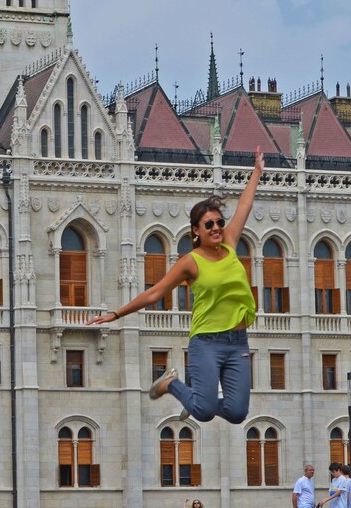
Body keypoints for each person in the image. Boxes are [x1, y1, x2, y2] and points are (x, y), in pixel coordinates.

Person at [88, 147, 264, 424]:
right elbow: (155, 292)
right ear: (196, 230)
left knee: (237, 412)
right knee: (204, 412)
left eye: (219, 222)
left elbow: (245, 206)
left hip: (238, 340)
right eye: (209, 225)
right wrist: (116, 314)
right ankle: (172, 385)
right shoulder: (190, 262)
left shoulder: (230, 244)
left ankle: (194, 401)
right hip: (206, 342)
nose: (217, 228)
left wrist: (256, 173)